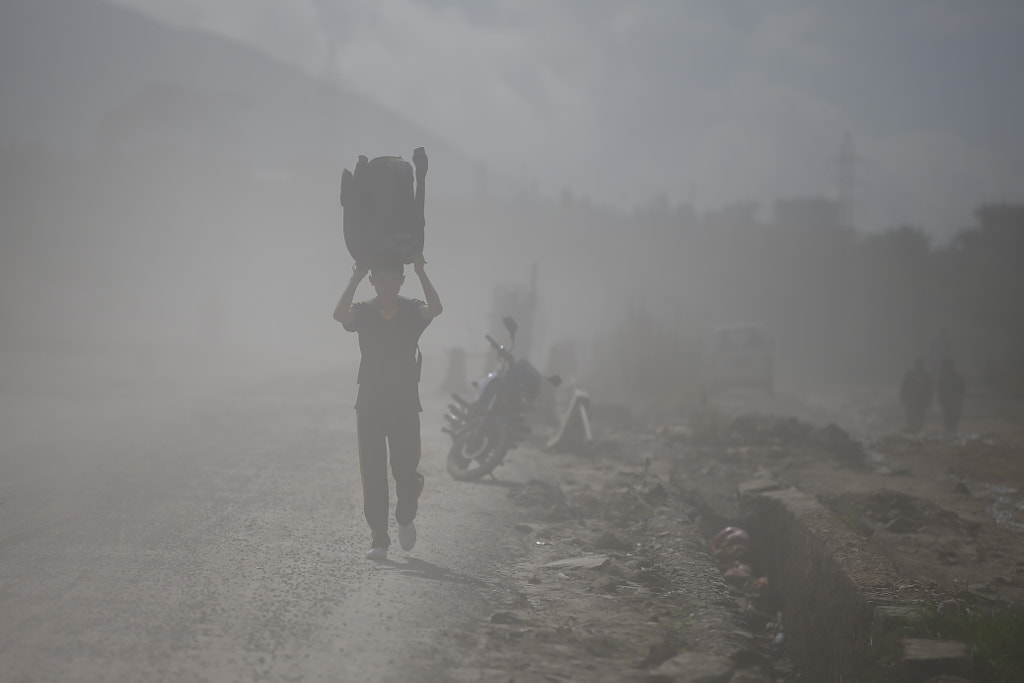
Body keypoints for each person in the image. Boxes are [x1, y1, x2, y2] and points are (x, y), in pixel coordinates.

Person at [333, 254, 443, 560]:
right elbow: (339, 315)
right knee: (373, 472)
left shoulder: (411, 310)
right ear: (373, 281)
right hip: (369, 402)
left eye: (394, 280)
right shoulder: (364, 311)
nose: (388, 285)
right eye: (381, 280)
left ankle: (405, 514)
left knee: (404, 470)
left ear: (402, 281)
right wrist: (354, 278)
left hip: (404, 403)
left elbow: (435, 309)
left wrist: (421, 272)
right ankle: (379, 537)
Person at [900, 358, 933, 434]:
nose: (919, 366)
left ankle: (919, 428)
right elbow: (905, 385)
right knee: (910, 413)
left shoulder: (926, 376)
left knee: (920, 413)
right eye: (918, 364)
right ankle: (911, 426)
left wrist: (929, 399)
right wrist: (902, 395)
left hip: (922, 399)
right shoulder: (910, 374)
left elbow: (930, 389)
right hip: (911, 398)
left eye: (920, 365)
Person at [935, 359, 966, 434]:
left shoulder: (957, 377)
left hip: (955, 401)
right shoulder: (942, 377)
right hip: (946, 402)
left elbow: (961, 389)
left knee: (955, 417)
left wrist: (959, 397)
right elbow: (939, 389)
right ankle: (949, 431)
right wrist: (940, 398)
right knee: (947, 417)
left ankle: (952, 430)